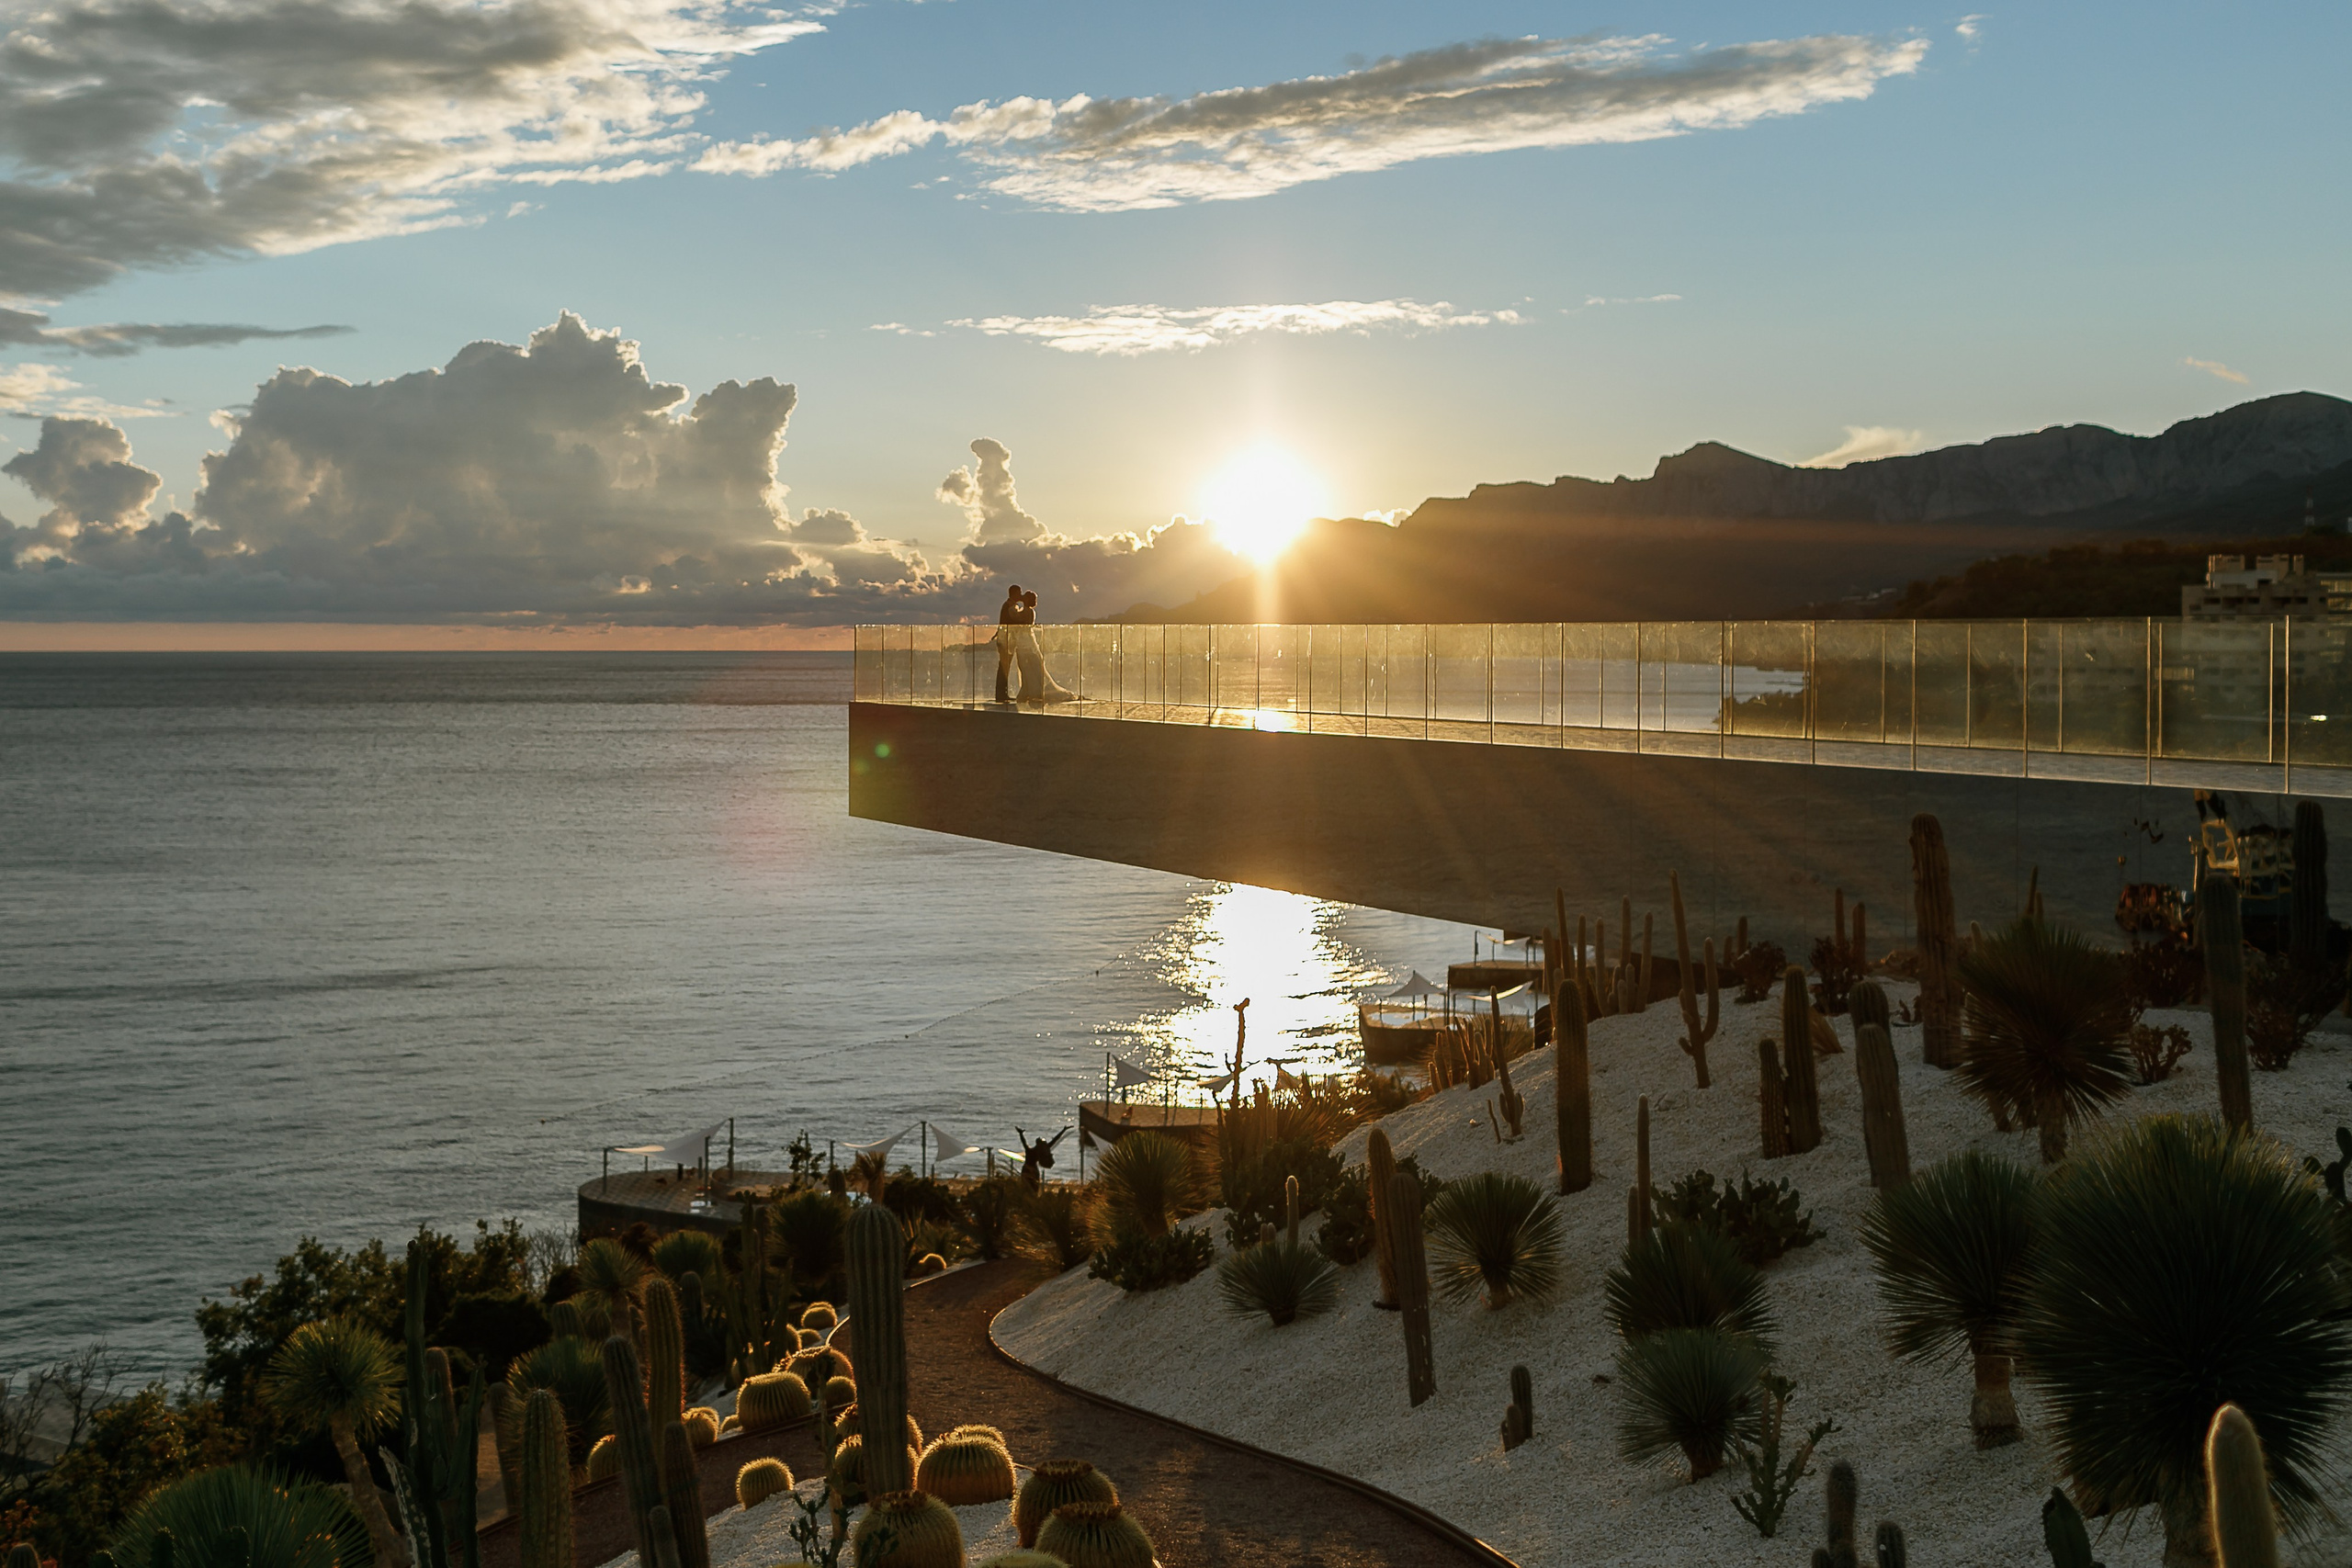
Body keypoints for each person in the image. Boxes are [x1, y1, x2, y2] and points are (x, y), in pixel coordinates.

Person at [1009, 589, 1077, 704]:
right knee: (1027, 668)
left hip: (1026, 643)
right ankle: (1028, 690)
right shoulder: (1027, 611)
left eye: (1024, 597)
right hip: (1025, 642)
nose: (1022, 598)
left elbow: (1015, 618)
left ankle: (1031, 691)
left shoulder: (1027, 612)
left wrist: (1012, 606)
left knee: (1028, 667)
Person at [993, 583, 1025, 704]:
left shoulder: (1009, 605)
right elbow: (1011, 622)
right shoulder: (1008, 606)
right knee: (1003, 667)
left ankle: (1003, 693)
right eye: (1019, 592)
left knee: (1005, 667)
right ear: (1014, 593)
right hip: (1006, 640)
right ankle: (1001, 694)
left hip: (1008, 640)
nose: (1021, 594)